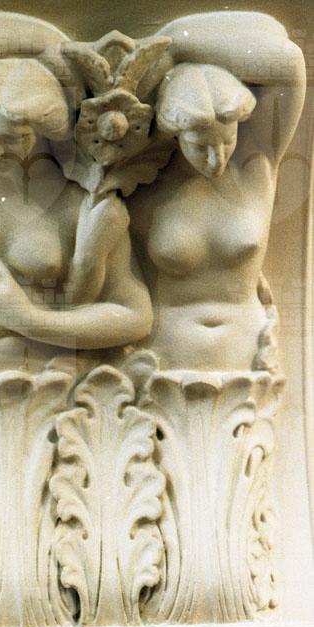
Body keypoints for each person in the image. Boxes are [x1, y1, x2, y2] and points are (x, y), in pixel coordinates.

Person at [0, 9, 152, 383]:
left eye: (12, 138)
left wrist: (29, 320)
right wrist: (45, 44)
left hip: (48, 389)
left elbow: (135, 315)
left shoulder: (77, 200)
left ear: (43, 131)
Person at [128, 13, 306, 371]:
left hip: (250, 359)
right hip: (162, 362)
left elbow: (288, 63)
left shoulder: (257, 166)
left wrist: (174, 44)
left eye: (227, 141)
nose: (217, 158)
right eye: (200, 146)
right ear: (175, 136)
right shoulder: (143, 186)